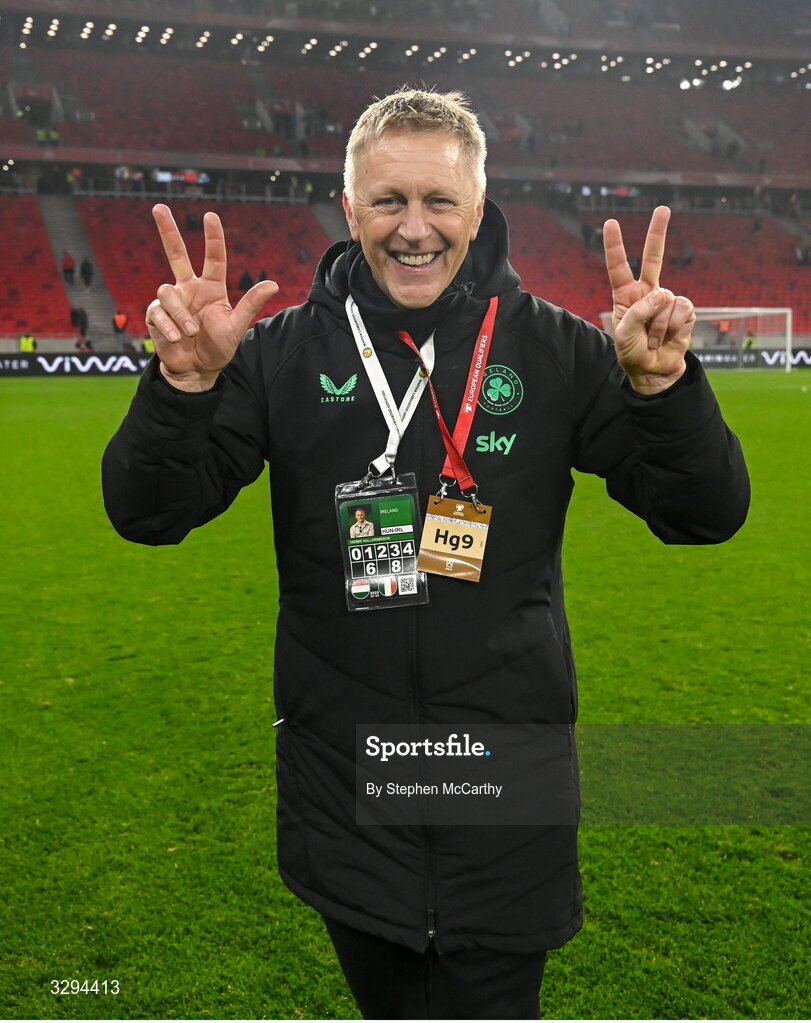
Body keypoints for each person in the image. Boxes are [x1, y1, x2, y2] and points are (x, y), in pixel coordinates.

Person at [102, 89, 749, 1020]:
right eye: (388, 201)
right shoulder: (279, 355)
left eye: (439, 200)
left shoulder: (557, 351)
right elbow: (148, 512)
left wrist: (664, 389)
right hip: (350, 789)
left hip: (502, 787)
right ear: (349, 208)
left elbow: (705, 513)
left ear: (477, 210)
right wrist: (182, 387)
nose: (414, 228)